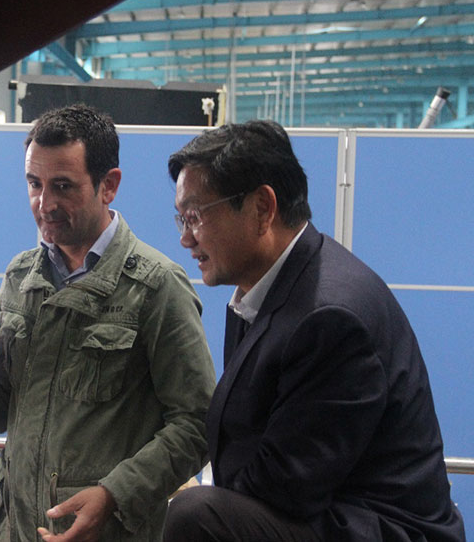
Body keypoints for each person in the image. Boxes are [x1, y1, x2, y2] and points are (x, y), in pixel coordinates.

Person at [0, 104, 216, 541]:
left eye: (63, 186)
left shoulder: (156, 287)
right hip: (11, 525)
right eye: (34, 184)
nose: (44, 204)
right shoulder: (22, 276)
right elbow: (4, 391)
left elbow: (197, 424)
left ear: (109, 185)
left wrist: (114, 494)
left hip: (97, 532)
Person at [163, 120, 465, 541]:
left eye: (195, 217)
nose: (185, 239)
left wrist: (196, 496)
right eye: (181, 219)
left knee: (195, 515)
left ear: (262, 208)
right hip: (326, 512)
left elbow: (286, 487)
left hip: (380, 528)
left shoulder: (330, 317)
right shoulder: (265, 290)